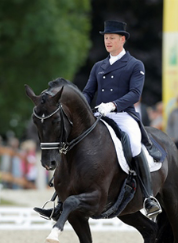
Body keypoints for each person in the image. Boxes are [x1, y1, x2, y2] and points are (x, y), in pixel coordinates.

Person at [35, 20, 161, 220]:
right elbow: (87, 92)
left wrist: (113, 105)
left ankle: (148, 197)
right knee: (71, 142)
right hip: (99, 114)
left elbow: (135, 94)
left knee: (135, 145)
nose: (108, 42)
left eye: (111, 38)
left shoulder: (135, 65)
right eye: (105, 38)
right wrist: (81, 110)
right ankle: (59, 199)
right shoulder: (99, 66)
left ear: (122, 39)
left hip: (123, 115)